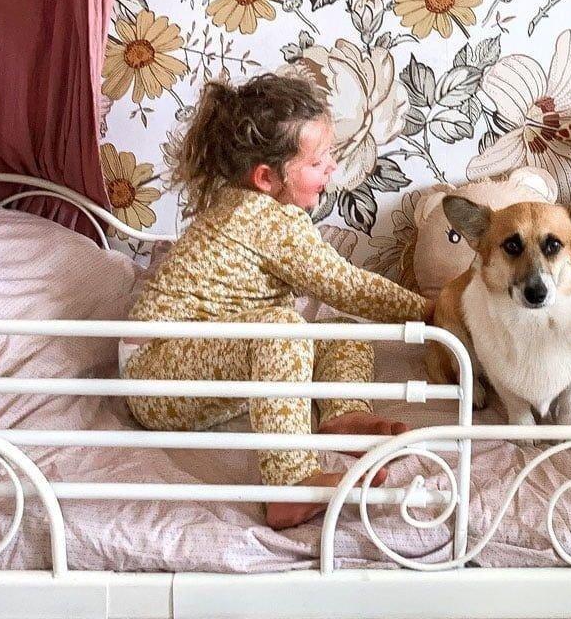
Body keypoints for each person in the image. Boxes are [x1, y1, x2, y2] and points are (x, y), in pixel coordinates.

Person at [122, 72, 432, 528]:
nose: (331, 169)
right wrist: (430, 311)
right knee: (283, 330)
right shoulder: (261, 218)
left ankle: (343, 412)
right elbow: (347, 285)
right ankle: (289, 483)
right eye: (317, 162)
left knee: (340, 332)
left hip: (201, 364)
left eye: (329, 157)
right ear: (266, 178)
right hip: (157, 375)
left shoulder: (257, 208)